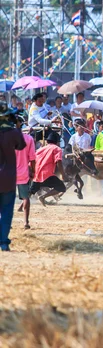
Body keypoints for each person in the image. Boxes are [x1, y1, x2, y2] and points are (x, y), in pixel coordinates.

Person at [0, 103, 26, 251]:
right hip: (9, 179)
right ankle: (3, 243)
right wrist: (17, 126)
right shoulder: (13, 133)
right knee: (6, 213)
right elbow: (21, 146)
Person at [30, 132, 67, 207]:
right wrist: (63, 174)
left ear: (47, 141)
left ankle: (21, 207)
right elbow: (58, 161)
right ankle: (43, 197)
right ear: (57, 142)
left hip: (37, 174)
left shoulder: (41, 149)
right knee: (62, 188)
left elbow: (33, 160)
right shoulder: (57, 149)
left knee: (30, 192)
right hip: (47, 174)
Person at [14, 116, 35, 229]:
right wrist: (33, 171)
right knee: (26, 197)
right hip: (23, 173)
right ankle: (26, 222)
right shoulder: (29, 139)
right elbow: (32, 159)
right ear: (22, 124)